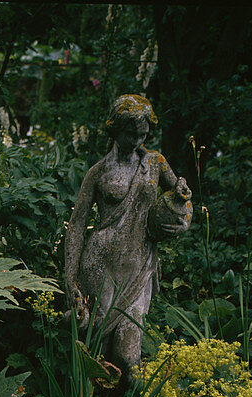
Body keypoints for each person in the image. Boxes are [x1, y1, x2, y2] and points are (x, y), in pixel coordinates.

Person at [63, 94, 191, 381]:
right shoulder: (99, 172)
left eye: (142, 134)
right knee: (92, 345)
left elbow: (182, 198)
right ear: (114, 129)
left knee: (128, 353)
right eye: (130, 133)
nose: (136, 140)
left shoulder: (155, 163)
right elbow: (76, 226)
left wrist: (183, 222)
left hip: (138, 265)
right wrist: (70, 279)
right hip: (99, 265)